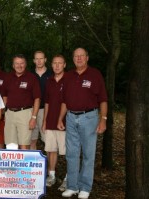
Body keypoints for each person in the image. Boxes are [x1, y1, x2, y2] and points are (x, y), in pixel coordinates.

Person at [57, 48, 108, 199]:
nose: (79, 58)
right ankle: (72, 186)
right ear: (73, 59)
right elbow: (65, 101)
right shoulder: (68, 76)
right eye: (76, 56)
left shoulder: (95, 74)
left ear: (87, 57)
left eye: (82, 56)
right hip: (71, 118)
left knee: (88, 154)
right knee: (71, 154)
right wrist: (61, 118)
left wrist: (103, 119)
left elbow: (103, 99)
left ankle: (85, 187)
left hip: (89, 118)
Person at [2, 54, 41, 150]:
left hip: (25, 114)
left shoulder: (32, 78)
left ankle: (23, 165)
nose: (19, 66)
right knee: (11, 145)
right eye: (17, 63)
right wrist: (5, 112)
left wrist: (34, 117)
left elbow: (37, 98)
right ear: (13, 65)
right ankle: (13, 165)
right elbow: (5, 96)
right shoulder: (8, 77)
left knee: (24, 144)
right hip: (10, 113)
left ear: (26, 64)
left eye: (22, 63)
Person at [41, 55, 67, 191]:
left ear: (64, 65)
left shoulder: (69, 80)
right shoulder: (49, 81)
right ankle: (51, 175)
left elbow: (68, 101)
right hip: (50, 120)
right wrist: (45, 121)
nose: (57, 66)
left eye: (60, 63)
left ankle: (69, 179)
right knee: (51, 149)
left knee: (67, 151)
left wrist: (61, 119)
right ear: (51, 65)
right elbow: (47, 103)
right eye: (55, 63)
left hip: (65, 122)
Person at [31, 51, 52, 150]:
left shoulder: (52, 74)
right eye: (37, 59)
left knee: (47, 140)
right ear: (34, 61)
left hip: (46, 110)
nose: (39, 61)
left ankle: (48, 165)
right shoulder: (29, 75)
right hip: (31, 110)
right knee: (31, 139)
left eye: (41, 58)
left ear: (45, 60)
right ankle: (31, 164)